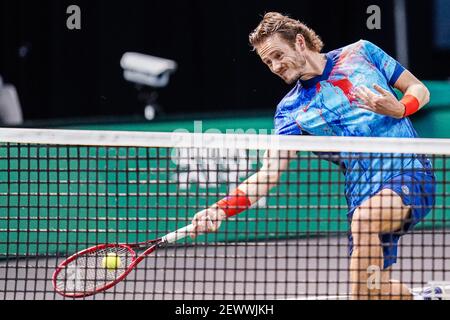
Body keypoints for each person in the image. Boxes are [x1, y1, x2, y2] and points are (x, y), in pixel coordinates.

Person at [189, 12, 437, 300]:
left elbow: (419, 89)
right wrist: (220, 209)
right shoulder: (290, 112)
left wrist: (400, 108)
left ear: (299, 42)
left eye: (278, 56)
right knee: (370, 293)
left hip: (410, 175)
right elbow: (268, 174)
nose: (275, 66)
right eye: (268, 62)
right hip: (361, 197)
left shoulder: (361, 53)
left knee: (365, 219)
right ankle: (425, 297)